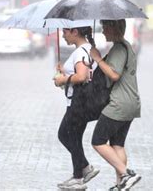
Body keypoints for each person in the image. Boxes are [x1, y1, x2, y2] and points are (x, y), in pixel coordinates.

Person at [89, 19, 142, 190]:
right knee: (117, 144)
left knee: (98, 140)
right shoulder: (125, 46)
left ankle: (126, 174)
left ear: (114, 27)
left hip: (119, 104)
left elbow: (114, 75)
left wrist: (97, 58)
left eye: (105, 27)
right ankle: (121, 184)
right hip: (130, 104)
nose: (103, 31)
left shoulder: (119, 48)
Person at [53, 26, 100, 189]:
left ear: (75, 32)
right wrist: (64, 72)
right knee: (72, 137)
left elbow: (81, 76)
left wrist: (62, 80)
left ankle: (79, 176)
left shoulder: (80, 52)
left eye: (65, 32)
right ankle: (84, 169)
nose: (63, 36)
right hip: (85, 102)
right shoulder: (90, 49)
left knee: (66, 135)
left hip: (78, 102)